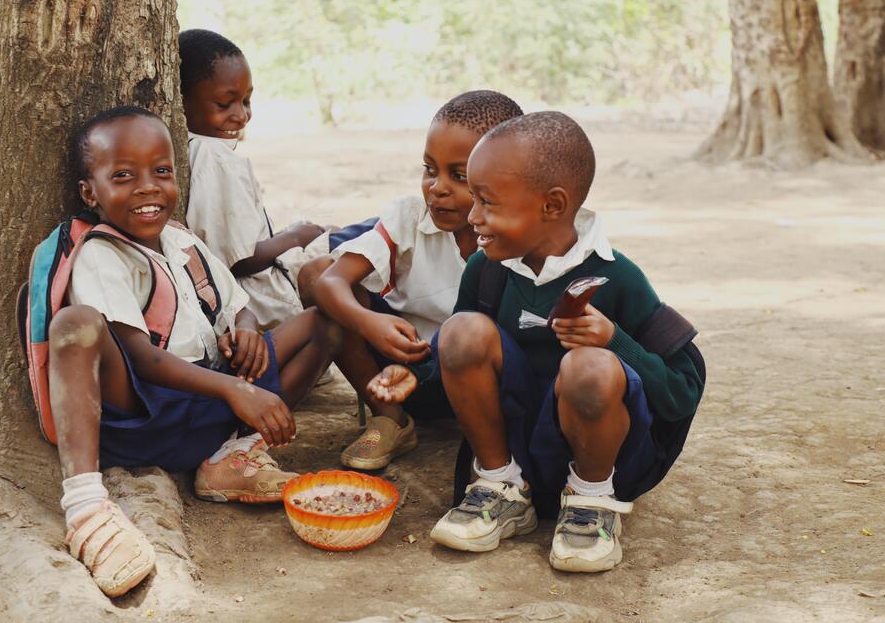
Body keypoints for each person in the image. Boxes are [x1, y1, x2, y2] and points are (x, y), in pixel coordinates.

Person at [397, 111, 704, 573]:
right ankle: (501, 491)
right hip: (516, 453)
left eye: (488, 202)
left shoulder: (618, 276)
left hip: (602, 457)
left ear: (553, 206)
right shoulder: (488, 271)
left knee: (590, 366)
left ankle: (590, 505)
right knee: (461, 330)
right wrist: (414, 374)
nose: (473, 215)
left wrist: (615, 341)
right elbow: (459, 366)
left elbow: (681, 392)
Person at [45, 106, 331, 596]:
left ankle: (231, 458)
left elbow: (237, 305)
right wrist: (239, 390)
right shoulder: (101, 254)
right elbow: (142, 359)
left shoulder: (181, 241)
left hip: (213, 402)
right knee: (75, 323)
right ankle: (87, 507)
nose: (148, 188)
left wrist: (243, 330)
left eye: (161, 171)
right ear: (90, 193)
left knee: (326, 321)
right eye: (123, 176)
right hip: (147, 416)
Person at [311, 91, 523, 470]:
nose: (437, 188)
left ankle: (496, 444)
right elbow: (326, 282)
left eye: (458, 176)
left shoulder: (519, 241)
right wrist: (369, 323)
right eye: (430, 169)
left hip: (476, 381)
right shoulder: (410, 219)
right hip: (397, 375)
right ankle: (390, 419)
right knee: (315, 273)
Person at [181, 29, 331, 328]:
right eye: (224, 104)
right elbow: (240, 259)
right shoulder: (214, 157)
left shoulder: (200, 148)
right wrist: (295, 237)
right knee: (362, 245)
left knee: (342, 235)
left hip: (259, 290)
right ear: (181, 100)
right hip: (258, 304)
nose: (241, 115)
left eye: (246, 101)